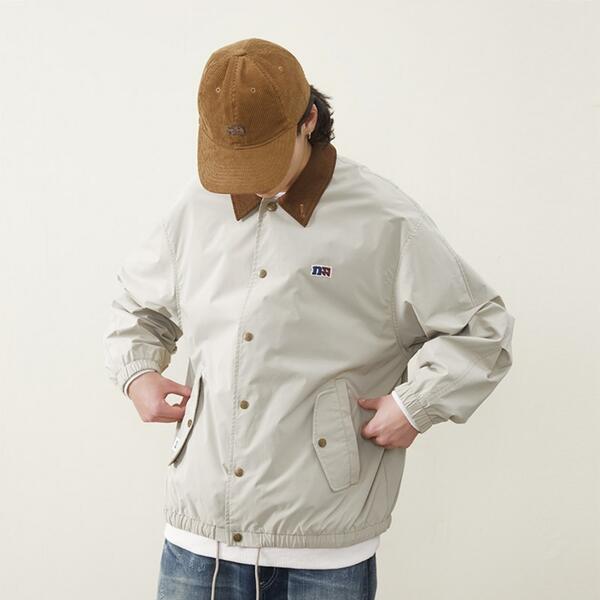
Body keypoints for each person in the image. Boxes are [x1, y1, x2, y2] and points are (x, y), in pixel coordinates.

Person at [103, 37, 515, 600]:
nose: (248, 179)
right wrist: (138, 373)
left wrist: (417, 405)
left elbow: (481, 326)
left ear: (309, 122)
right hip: (197, 540)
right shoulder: (196, 207)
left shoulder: (384, 219)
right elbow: (137, 304)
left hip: (323, 550)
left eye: (264, 158)